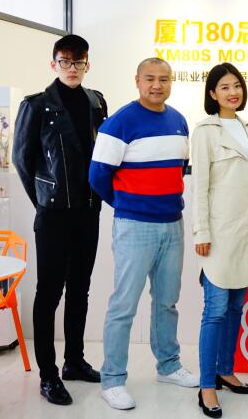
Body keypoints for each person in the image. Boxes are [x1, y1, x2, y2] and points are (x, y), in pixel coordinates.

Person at [89, 57, 199, 410]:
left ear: (171, 82)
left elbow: (178, 169)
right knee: (124, 305)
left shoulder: (178, 120)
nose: (157, 85)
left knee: (167, 301)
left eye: (164, 79)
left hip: (172, 224)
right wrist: (128, 204)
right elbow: (97, 177)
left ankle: (168, 365)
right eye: (150, 78)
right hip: (134, 225)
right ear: (137, 80)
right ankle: (112, 379)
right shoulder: (120, 122)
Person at [12, 34, 108, 406]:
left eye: (78, 62)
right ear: (54, 64)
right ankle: (48, 374)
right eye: (65, 61)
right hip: (53, 214)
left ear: (87, 65)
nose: (72, 68)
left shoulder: (96, 102)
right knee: (49, 293)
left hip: (87, 210)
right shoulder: (36, 105)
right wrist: (44, 200)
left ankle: (74, 361)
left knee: (80, 289)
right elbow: (22, 160)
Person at [192, 63, 248, 418]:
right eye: (224, 87)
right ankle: (207, 385)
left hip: (244, 234)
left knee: (236, 308)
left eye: (237, 85)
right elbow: (199, 186)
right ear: (212, 93)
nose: (232, 92)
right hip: (218, 234)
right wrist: (201, 231)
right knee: (215, 311)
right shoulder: (205, 131)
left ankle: (225, 369)